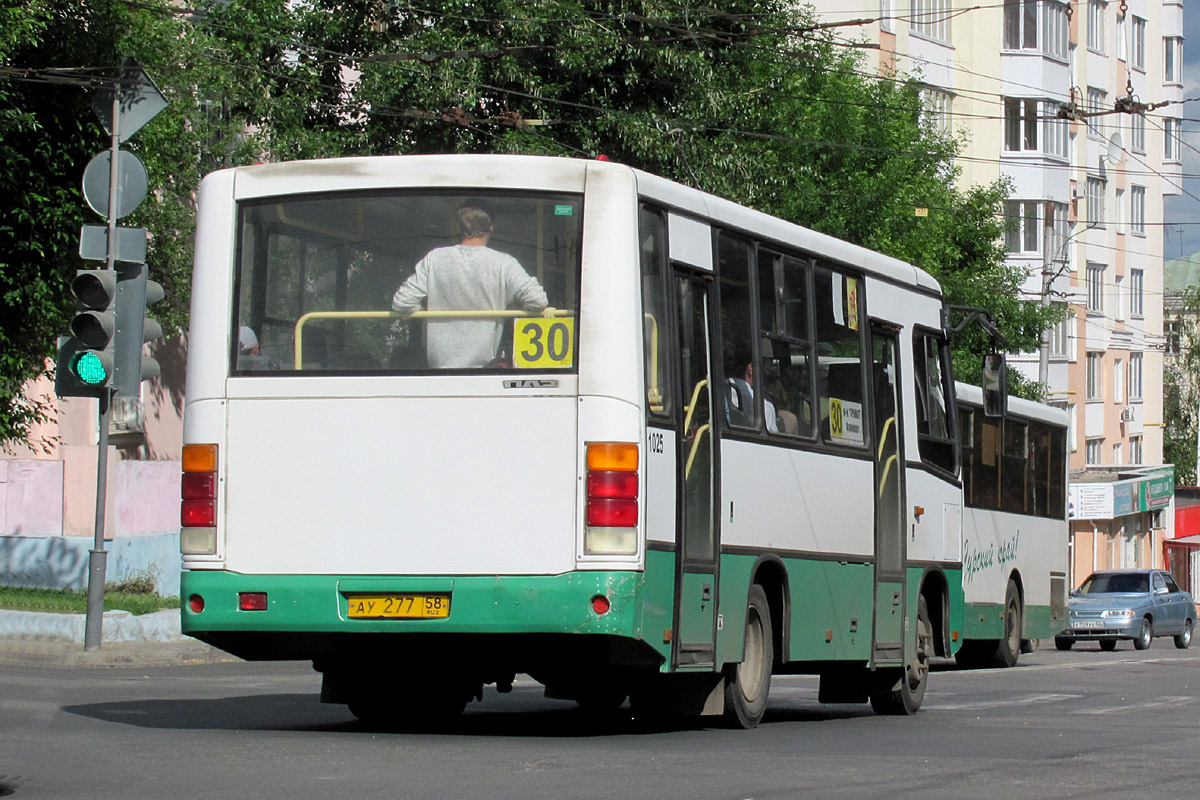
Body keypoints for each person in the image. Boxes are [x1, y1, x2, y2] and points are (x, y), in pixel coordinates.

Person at [391, 206, 548, 368]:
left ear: (459, 228)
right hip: (487, 371)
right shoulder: (504, 263)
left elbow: (402, 303)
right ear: (491, 228)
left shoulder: (435, 258)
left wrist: (425, 310)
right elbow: (537, 301)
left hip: (439, 372)